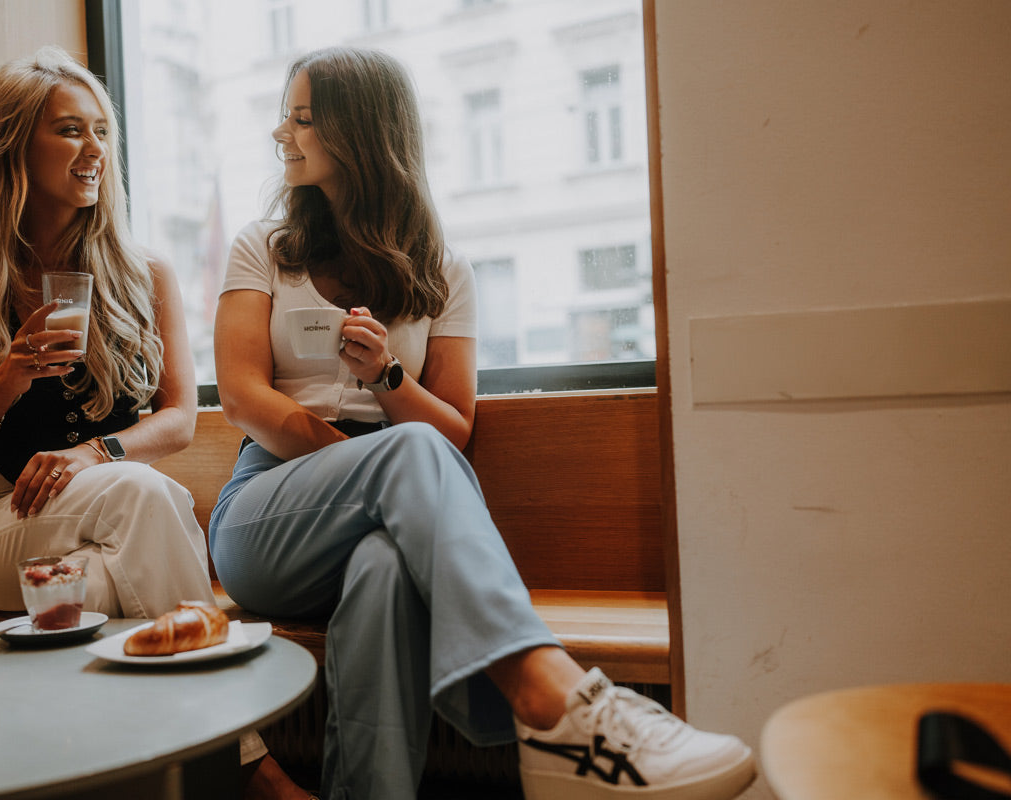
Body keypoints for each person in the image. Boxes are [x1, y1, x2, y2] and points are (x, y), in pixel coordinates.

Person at [209, 46, 757, 800]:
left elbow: (453, 426)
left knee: (385, 570)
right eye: (286, 116)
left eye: (302, 119)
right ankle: (551, 698)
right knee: (405, 460)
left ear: (361, 131)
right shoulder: (262, 250)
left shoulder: (442, 270)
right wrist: (364, 463)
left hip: (392, 507)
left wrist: (386, 378)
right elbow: (240, 397)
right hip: (269, 511)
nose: (282, 134)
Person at [0, 47, 310, 800]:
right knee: (149, 500)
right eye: (70, 131)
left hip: (111, 523)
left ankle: (159, 773)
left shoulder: (142, 272)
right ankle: (251, 770)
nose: (95, 150)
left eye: (101, 131)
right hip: (5, 522)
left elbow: (182, 419)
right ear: (12, 146)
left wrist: (97, 451)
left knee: (127, 545)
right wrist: (5, 377)